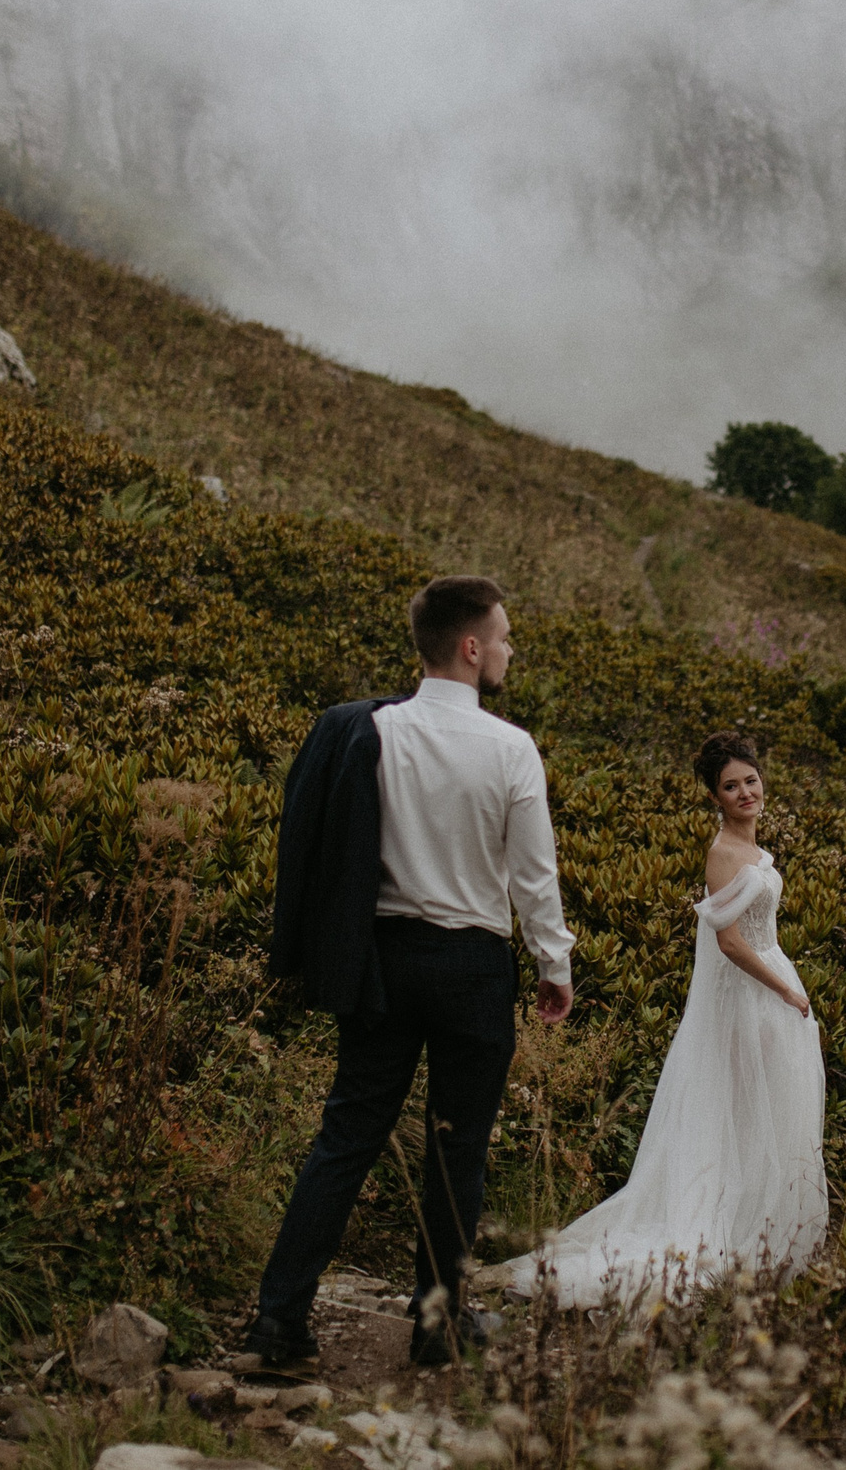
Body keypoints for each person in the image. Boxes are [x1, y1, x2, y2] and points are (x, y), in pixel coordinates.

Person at [248, 575, 576, 1371]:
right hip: (469, 966)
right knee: (457, 1149)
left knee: (348, 1136)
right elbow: (533, 877)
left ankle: (277, 1324)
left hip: (382, 961)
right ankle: (437, 1326)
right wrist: (552, 963)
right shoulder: (510, 747)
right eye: (501, 637)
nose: (506, 649)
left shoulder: (372, 731)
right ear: (470, 647)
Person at [510, 731, 826, 1306]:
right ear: (716, 797)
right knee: (736, 1112)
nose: (745, 792)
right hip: (753, 996)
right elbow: (729, 942)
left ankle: (754, 1236)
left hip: (769, 990)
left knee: (765, 1116)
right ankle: (719, 1235)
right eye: (731, 787)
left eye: (750, 780)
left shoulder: (754, 849)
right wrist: (787, 991)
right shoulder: (723, 853)